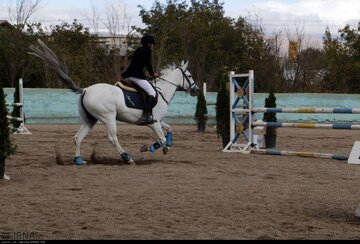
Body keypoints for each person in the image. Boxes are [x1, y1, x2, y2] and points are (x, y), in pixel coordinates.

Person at [122, 34, 158, 125]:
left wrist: (145, 75)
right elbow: (148, 64)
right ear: (149, 44)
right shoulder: (147, 50)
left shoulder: (138, 50)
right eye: (152, 44)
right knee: (152, 93)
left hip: (128, 76)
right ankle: (146, 116)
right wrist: (152, 74)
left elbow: (136, 65)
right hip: (135, 77)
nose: (153, 46)